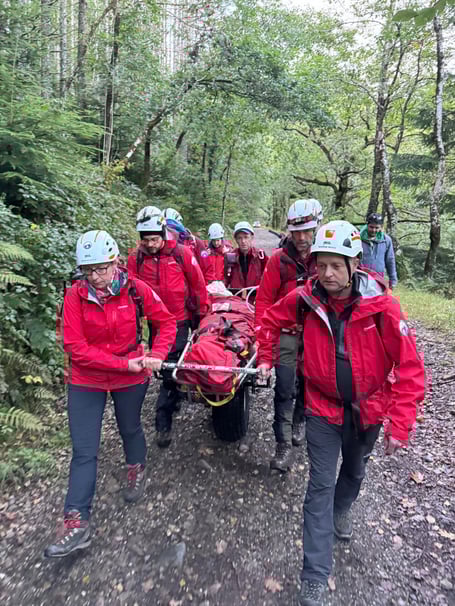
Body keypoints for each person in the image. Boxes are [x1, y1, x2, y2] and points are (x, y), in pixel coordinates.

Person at [256, 221, 425, 606]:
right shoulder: (304, 299)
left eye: (336, 265)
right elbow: (267, 320)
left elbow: (411, 368)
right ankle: (315, 573)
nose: (327, 274)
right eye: (321, 265)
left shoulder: (382, 307)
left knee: (354, 471)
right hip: (321, 408)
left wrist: (400, 423)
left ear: (354, 265)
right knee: (318, 486)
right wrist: (266, 356)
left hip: (368, 410)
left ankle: (343, 508)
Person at [44, 230, 176, 559]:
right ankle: (76, 523)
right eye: (88, 271)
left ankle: (136, 467)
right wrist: (123, 364)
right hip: (87, 378)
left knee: (129, 427)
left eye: (101, 268)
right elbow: (76, 348)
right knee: (84, 450)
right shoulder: (74, 296)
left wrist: (157, 352)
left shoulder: (135, 289)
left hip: (131, 377)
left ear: (115, 261)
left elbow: (167, 321)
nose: (95, 277)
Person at [128, 209, 208, 448]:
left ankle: (163, 421)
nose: (150, 244)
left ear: (163, 233)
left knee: (169, 366)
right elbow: (130, 290)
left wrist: (202, 314)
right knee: (165, 366)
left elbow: (198, 284)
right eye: (146, 239)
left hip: (179, 318)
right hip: (154, 321)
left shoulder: (181, 254)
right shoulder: (137, 258)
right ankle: (174, 396)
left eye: (154, 239)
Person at [255, 199, 322, 471]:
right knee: (284, 388)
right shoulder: (278, 260)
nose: (302, 238)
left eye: (307, 231)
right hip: (286, 333)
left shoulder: (324, 258)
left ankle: (300, 419)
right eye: (297, 233)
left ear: (315, 229)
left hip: (317, 334)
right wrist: (263, 346)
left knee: (309, 383)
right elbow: (263, 302)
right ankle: (282, 445)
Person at [163, 207, 216, 283]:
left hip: (194, 289)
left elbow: (207, 268)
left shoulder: (195, 243)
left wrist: (206, 287)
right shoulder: (161, 246)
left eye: (173, 229)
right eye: (166, 230)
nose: (170, 234)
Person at [224, 221, 268, 292]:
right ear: (235, 239)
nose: (243, 241)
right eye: (239, 238)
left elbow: (268, 277)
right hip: (237, 297)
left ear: (252, 237)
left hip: (255, 296)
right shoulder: (230, 256)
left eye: (246, 237)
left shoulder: (260, 256)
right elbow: (226, 278)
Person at [360, 212, 398, 289]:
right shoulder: (358, 238)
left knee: (377, 300)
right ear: (367, 225)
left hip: (378, 277)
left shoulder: (386, 240)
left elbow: (390, 260)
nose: (374, 230)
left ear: (381, 227)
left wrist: (393, 279)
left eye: (377, 228)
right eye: (371, 227)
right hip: (361, 276)